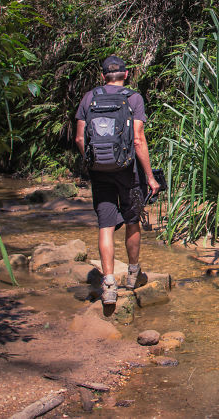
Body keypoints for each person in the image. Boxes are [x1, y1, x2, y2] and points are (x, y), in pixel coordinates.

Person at [75, 55, 160, 306]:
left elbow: (79, 139)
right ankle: (133, 274)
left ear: (103, 76)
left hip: (99, 172)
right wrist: (150, 177)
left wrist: (92, 162)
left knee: (106, 225)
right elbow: (138, 140)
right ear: (126, 75)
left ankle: (109, 283)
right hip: (128, 170)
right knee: (132, 220)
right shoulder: (134, 98)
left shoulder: (89, 98)